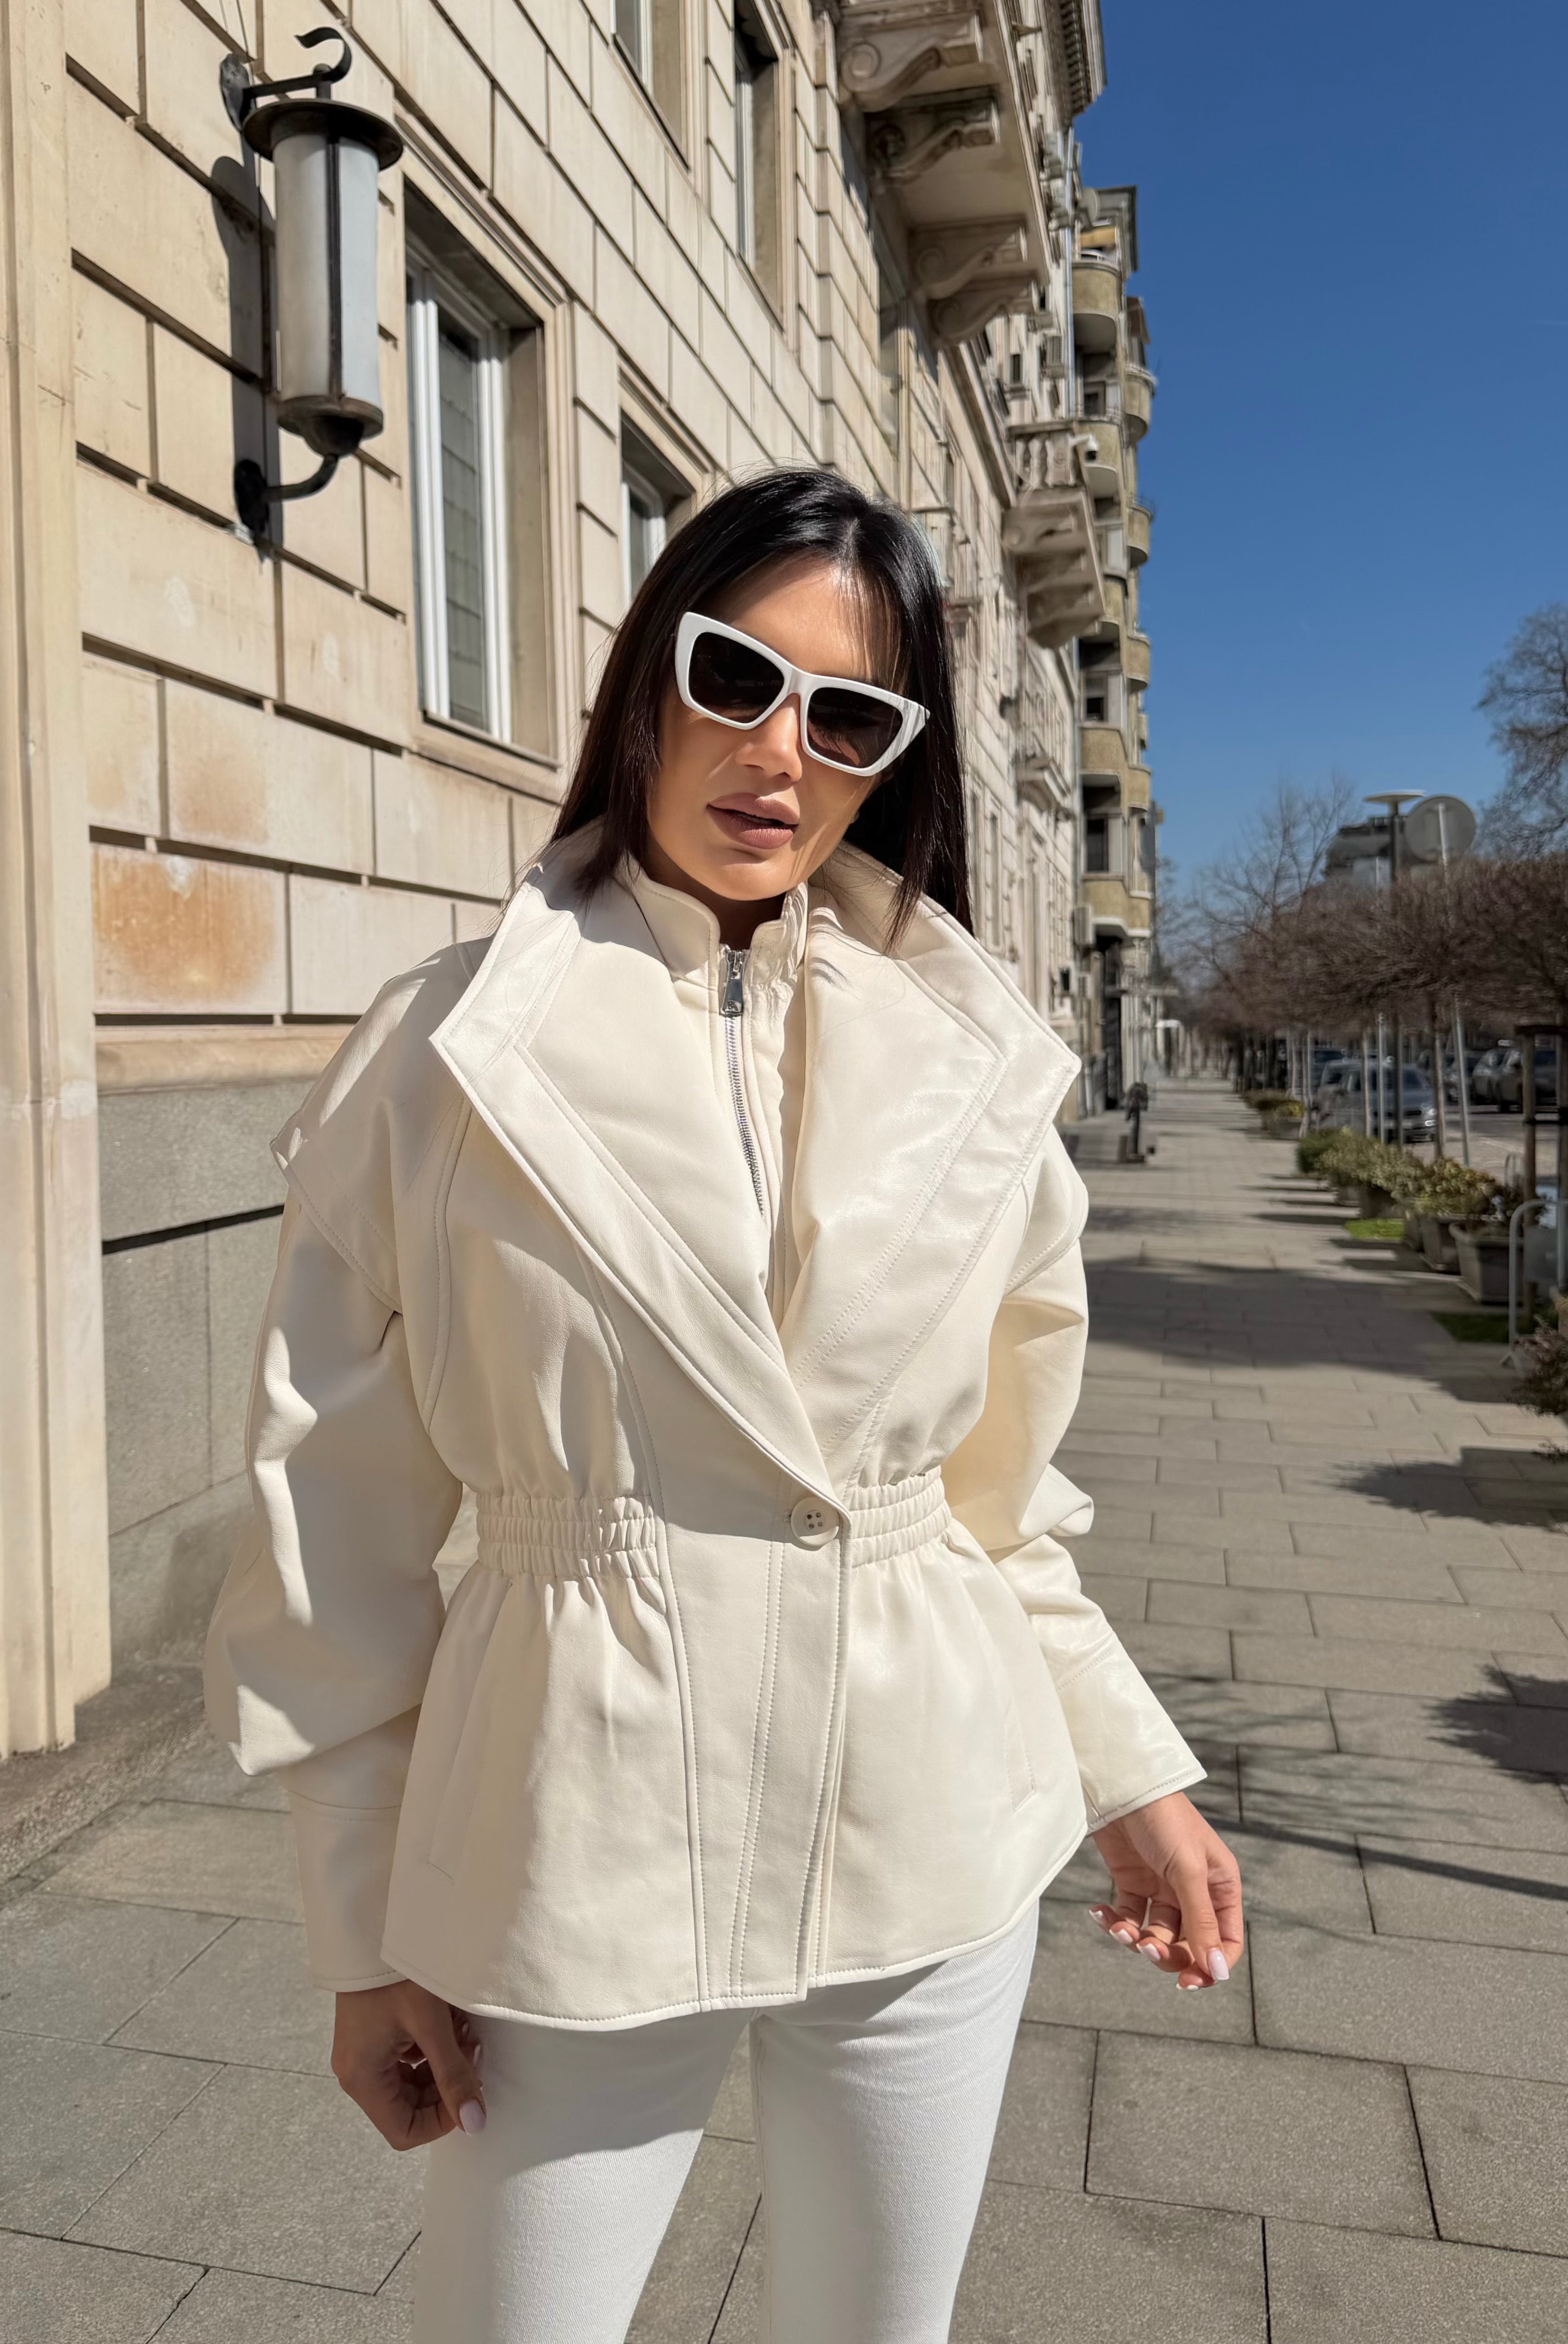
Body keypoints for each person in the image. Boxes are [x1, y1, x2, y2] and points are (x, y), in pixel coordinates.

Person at [204, 467, 1242, 2344]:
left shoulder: (980, 1068)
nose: (779, 753)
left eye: (847, 716)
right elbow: (328, 1524)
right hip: (572, 1834)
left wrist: (1131, 1772)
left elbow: (998, 1505)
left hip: (926, 1821)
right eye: (736, 677)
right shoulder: (444, 1054)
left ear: (892, 759)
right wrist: (360, 1932)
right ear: (647, 677)